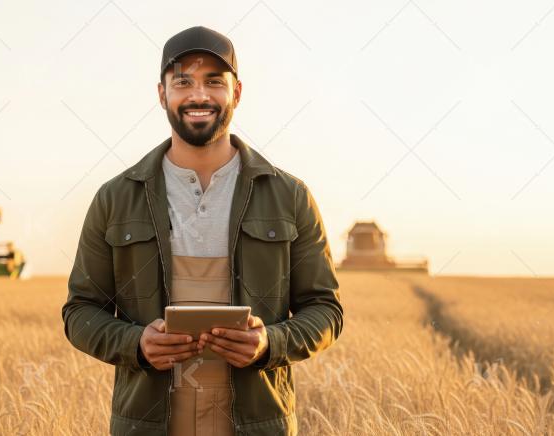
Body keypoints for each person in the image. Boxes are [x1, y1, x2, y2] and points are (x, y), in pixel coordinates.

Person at [62, 25, 343, 436]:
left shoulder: (290, 196)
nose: (198, 96)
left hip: (259, 426)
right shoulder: (114, 198)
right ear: (162, 94)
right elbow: (80, 312)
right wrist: (136, 345)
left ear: (237, 92)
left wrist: (270, 344)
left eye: (214, 81)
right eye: (183, 82)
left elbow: (326, 310)